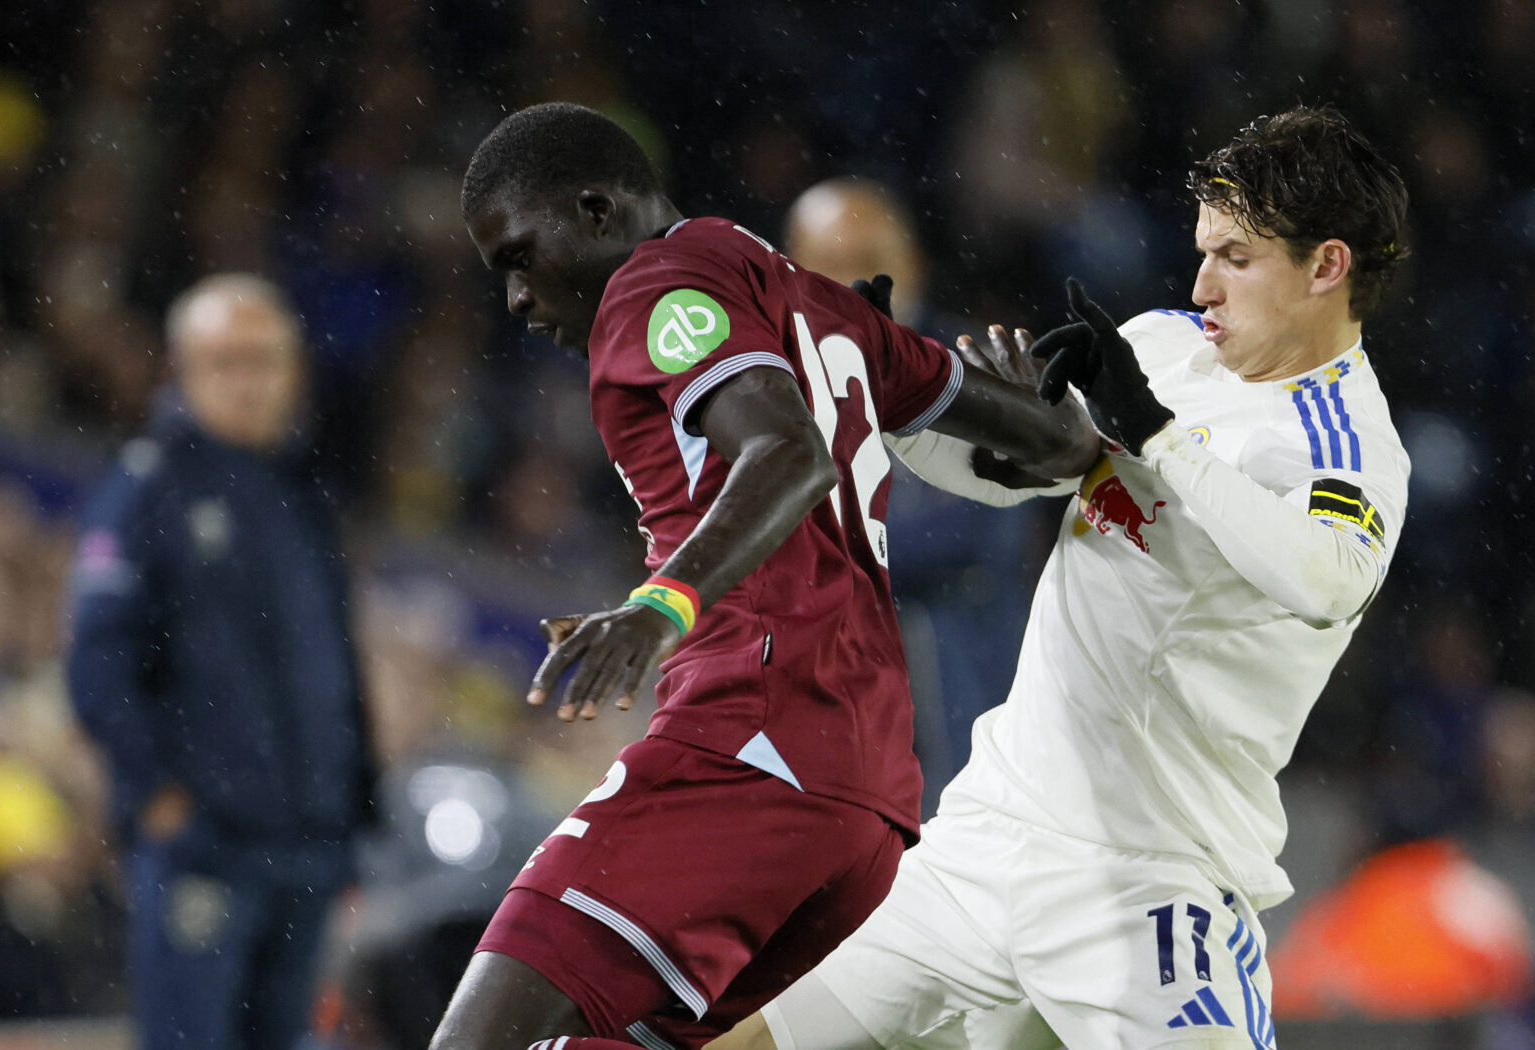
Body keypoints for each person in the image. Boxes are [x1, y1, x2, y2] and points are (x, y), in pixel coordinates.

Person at [716, 104, 1415, 1050]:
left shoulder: (1347, 445)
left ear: (1327, 266)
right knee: (748, 1040)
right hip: (994, 825)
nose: (1203, 284)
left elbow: (1325, 578)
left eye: (1237, 259)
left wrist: (1161, 439)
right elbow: (1014, 480)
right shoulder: (1166, 347)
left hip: (1150, 878)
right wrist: (896, 401)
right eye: (1203, 252)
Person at [437, 103, 1102, 1050]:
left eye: (514, 256)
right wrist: (1046, 399)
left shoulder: (655, 286)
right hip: (869, 800)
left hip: (753, 744)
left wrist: (662, 607)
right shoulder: (828, 309)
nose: (513, 296)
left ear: (594, 210)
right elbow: (1062, 447)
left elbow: (789, 456)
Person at [66, 274, 376, 1050]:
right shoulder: (149, 492)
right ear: (182, 369)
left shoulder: (303, 494)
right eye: (225, 361)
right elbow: (96, 666)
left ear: (293, 369)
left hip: (307, 848)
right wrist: (157, 798)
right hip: (208, 849)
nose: (248, 381)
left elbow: (336, 662)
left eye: (263, 360)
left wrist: (356, 802)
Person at [783, 178, 1047, 814]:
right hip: (820, 722)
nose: (850, 282)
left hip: (967, 705)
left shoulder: (980, 373)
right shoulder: (761, 390)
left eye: (868, 257)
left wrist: (822, 537)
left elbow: (993, 520)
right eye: (828, 263)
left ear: (914, 267)